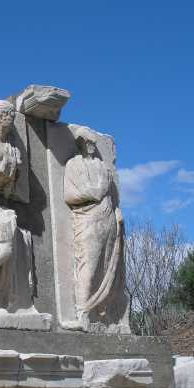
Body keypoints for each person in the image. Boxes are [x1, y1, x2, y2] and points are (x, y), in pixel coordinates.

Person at [64, 128, 124, 322]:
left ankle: (102, 311)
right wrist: (93, 192)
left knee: (107, 265)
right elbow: (69, 196)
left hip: (108, 220)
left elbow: (112, 198)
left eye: (92, 143)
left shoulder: (103, 167)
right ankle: (82, 311)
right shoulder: (73, 165)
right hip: (87, 219)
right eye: (86, 142)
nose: (90, 146)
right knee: (88, 267)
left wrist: (116, 212)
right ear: (80, 143)